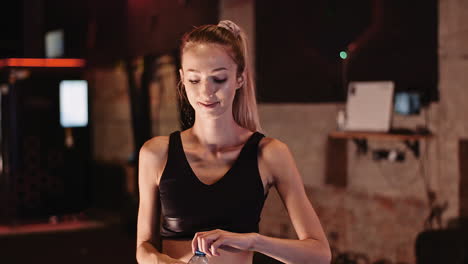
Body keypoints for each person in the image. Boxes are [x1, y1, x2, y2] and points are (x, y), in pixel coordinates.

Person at [136, 20, 331, 264]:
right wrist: (161, 263)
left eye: (218, 79)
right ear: (182, 79)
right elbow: (143, 247)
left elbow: (320, 255)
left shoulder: (270, 154)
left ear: (240, 78)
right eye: (195, 80)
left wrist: (252, 240)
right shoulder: (156, 153)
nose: (206, 92)